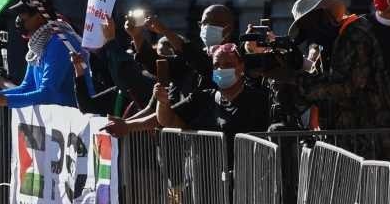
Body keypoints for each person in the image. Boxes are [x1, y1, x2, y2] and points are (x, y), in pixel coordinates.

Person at [270, 0, 390, 154]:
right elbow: (314, 90)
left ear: (325, 16)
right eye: (306, 30)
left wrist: (294, 79)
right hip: (345, 142)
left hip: (372, 138)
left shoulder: (356, 34)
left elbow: (346, 86)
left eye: (312, 24)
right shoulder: (327, 47)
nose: (312, 33)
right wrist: (284, 79)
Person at [103, 44, 270, 141]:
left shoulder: (259, 100)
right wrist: (162, 103)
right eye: (216, 65)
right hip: (203, 178)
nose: (221, 69)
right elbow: (166, 118)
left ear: (241, 67)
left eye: (228, 65)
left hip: (243, 181)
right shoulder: (203, 97)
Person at [0, 0, 92, 109]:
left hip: (74, 117)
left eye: (22, 14)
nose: (18, 19)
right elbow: (27, 88)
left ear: (38, 17)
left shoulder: (60, 42)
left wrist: (3, 100)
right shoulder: (38, 44)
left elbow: (48, 93)